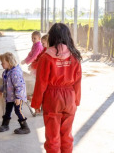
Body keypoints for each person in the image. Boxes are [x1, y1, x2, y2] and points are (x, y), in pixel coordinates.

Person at [31, 23, 82, 153]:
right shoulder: (74, 56)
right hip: (70, 97)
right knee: (67, 136)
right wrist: (77, 99)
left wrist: (36, 103)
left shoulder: (46, 57)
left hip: (52, 99)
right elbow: (77, 81)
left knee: (53, 138)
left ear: (52, 37)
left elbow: (41, 83)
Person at [0, 52, 30, 134]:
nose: (1, 64)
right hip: (9, 96)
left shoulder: (15, 73)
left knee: (18, 111)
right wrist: (1, 90)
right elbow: (5, 83)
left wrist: (18, 98)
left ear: (9, 62)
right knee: (7, 110)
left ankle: (25, 127)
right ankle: (5, 125)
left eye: (3, 62)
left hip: (16, 97)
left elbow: (19, 86)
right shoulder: (6, 72)